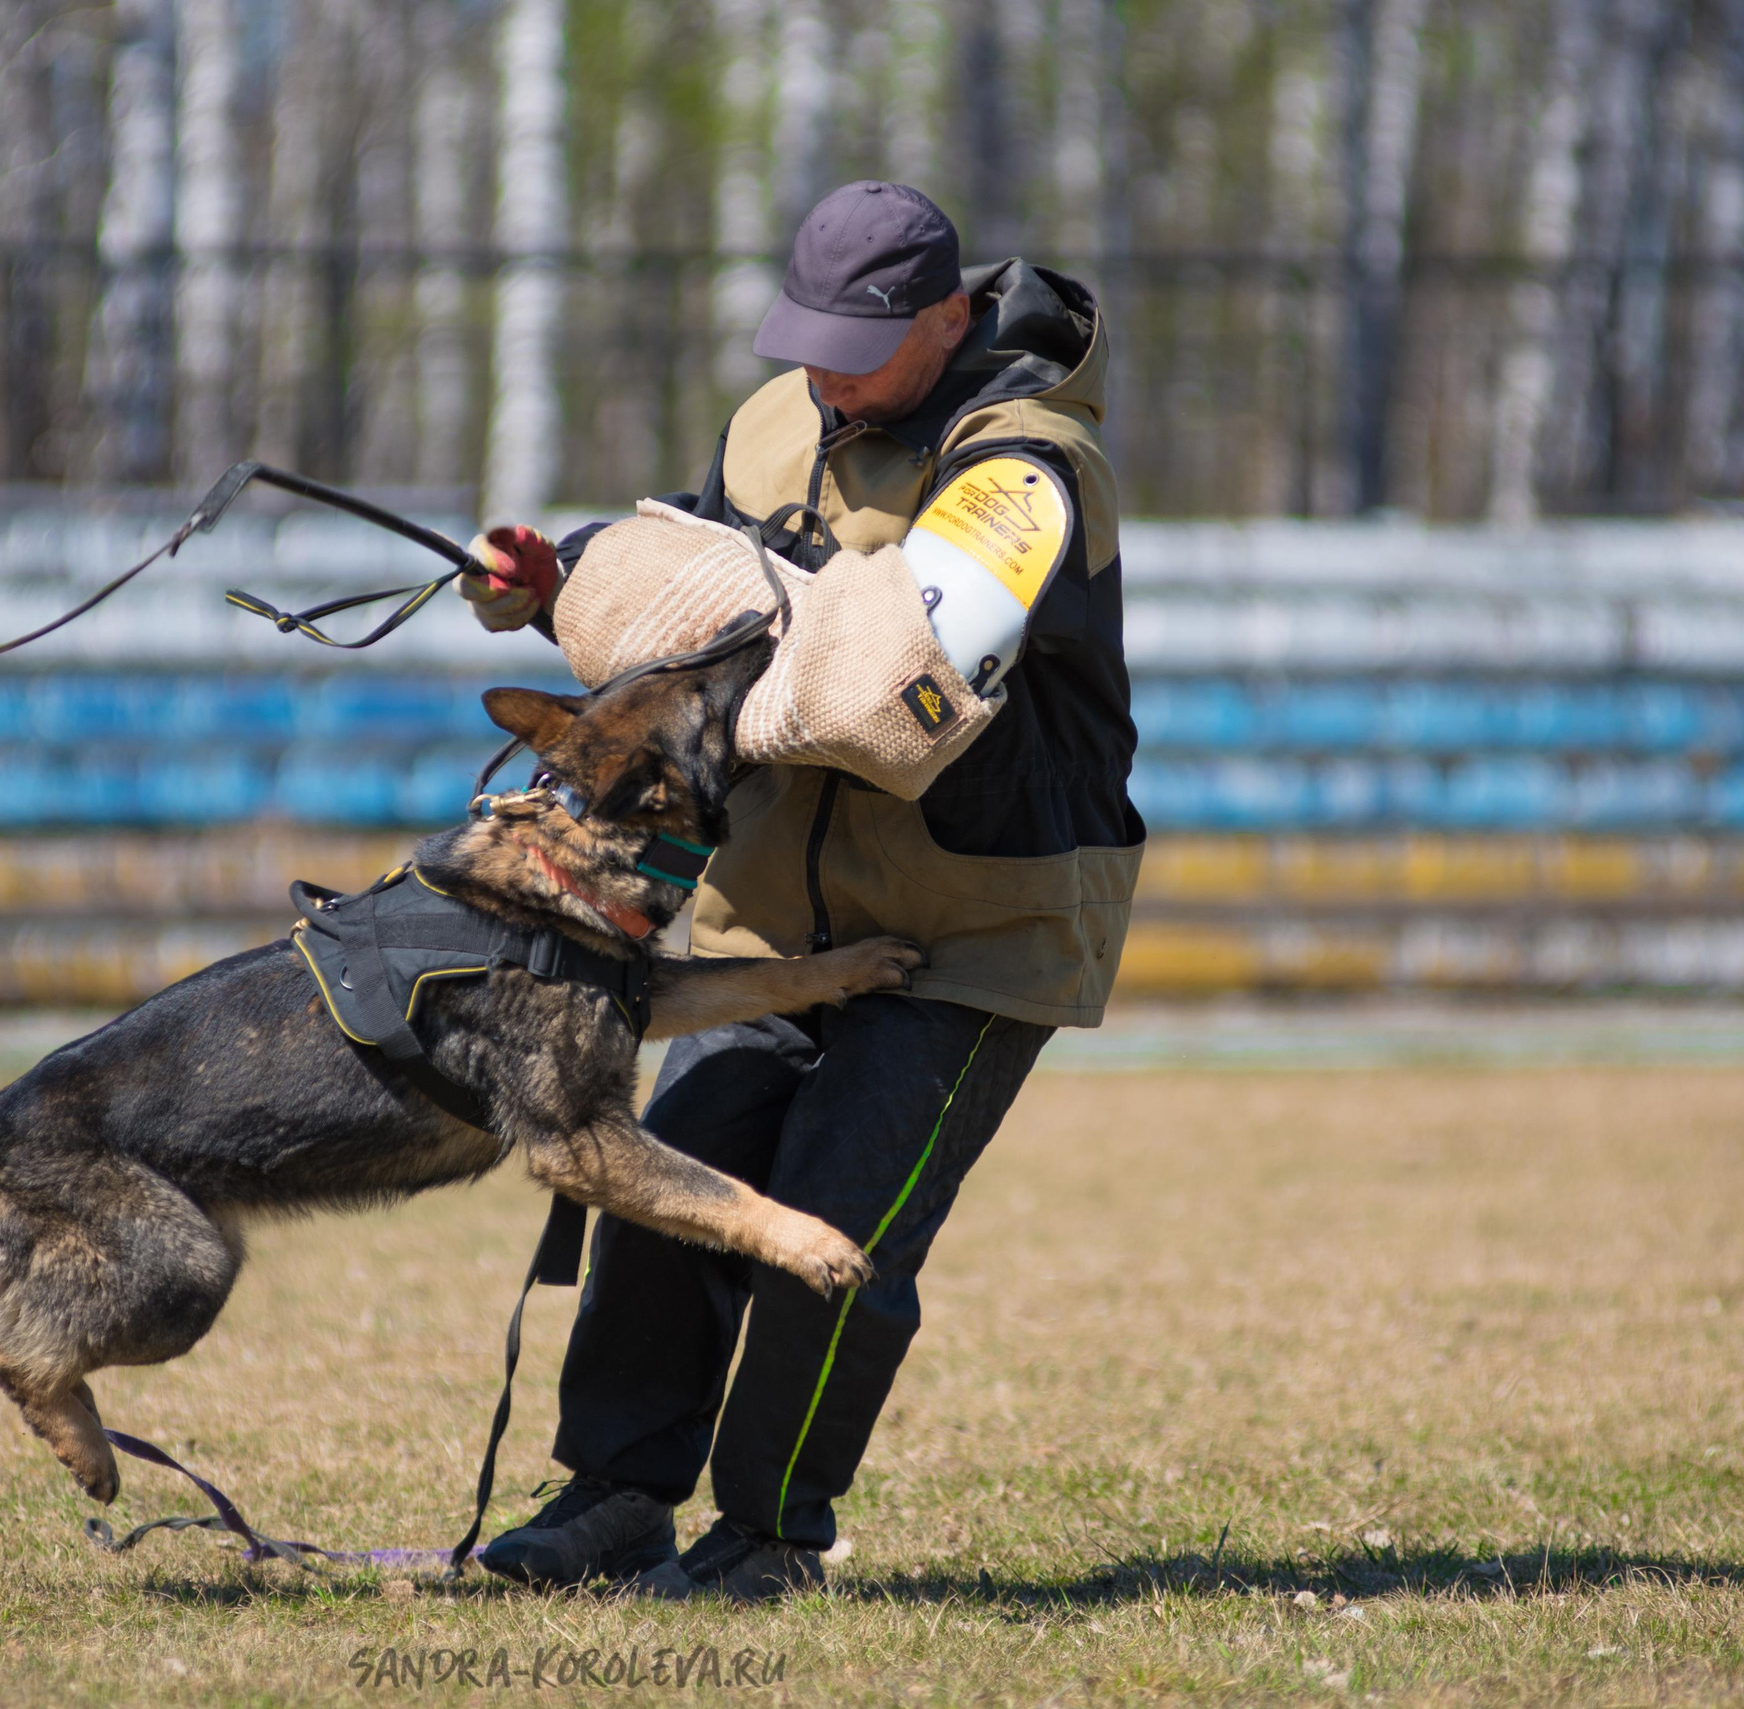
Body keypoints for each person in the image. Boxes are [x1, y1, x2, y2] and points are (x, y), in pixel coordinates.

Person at [462, 181, 1144, 1602]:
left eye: (859, 342)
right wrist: (557, 582)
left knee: (838, 1228)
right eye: (807, 335)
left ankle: (769, 1532)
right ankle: (616, 1494)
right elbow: (694, 597)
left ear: (950, 316)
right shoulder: (776, 420)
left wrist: (746, 618)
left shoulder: (1028, 471)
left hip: (970, 927)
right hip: (766, 905)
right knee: (669, 1190)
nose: (822, 373)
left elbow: (880, 695)